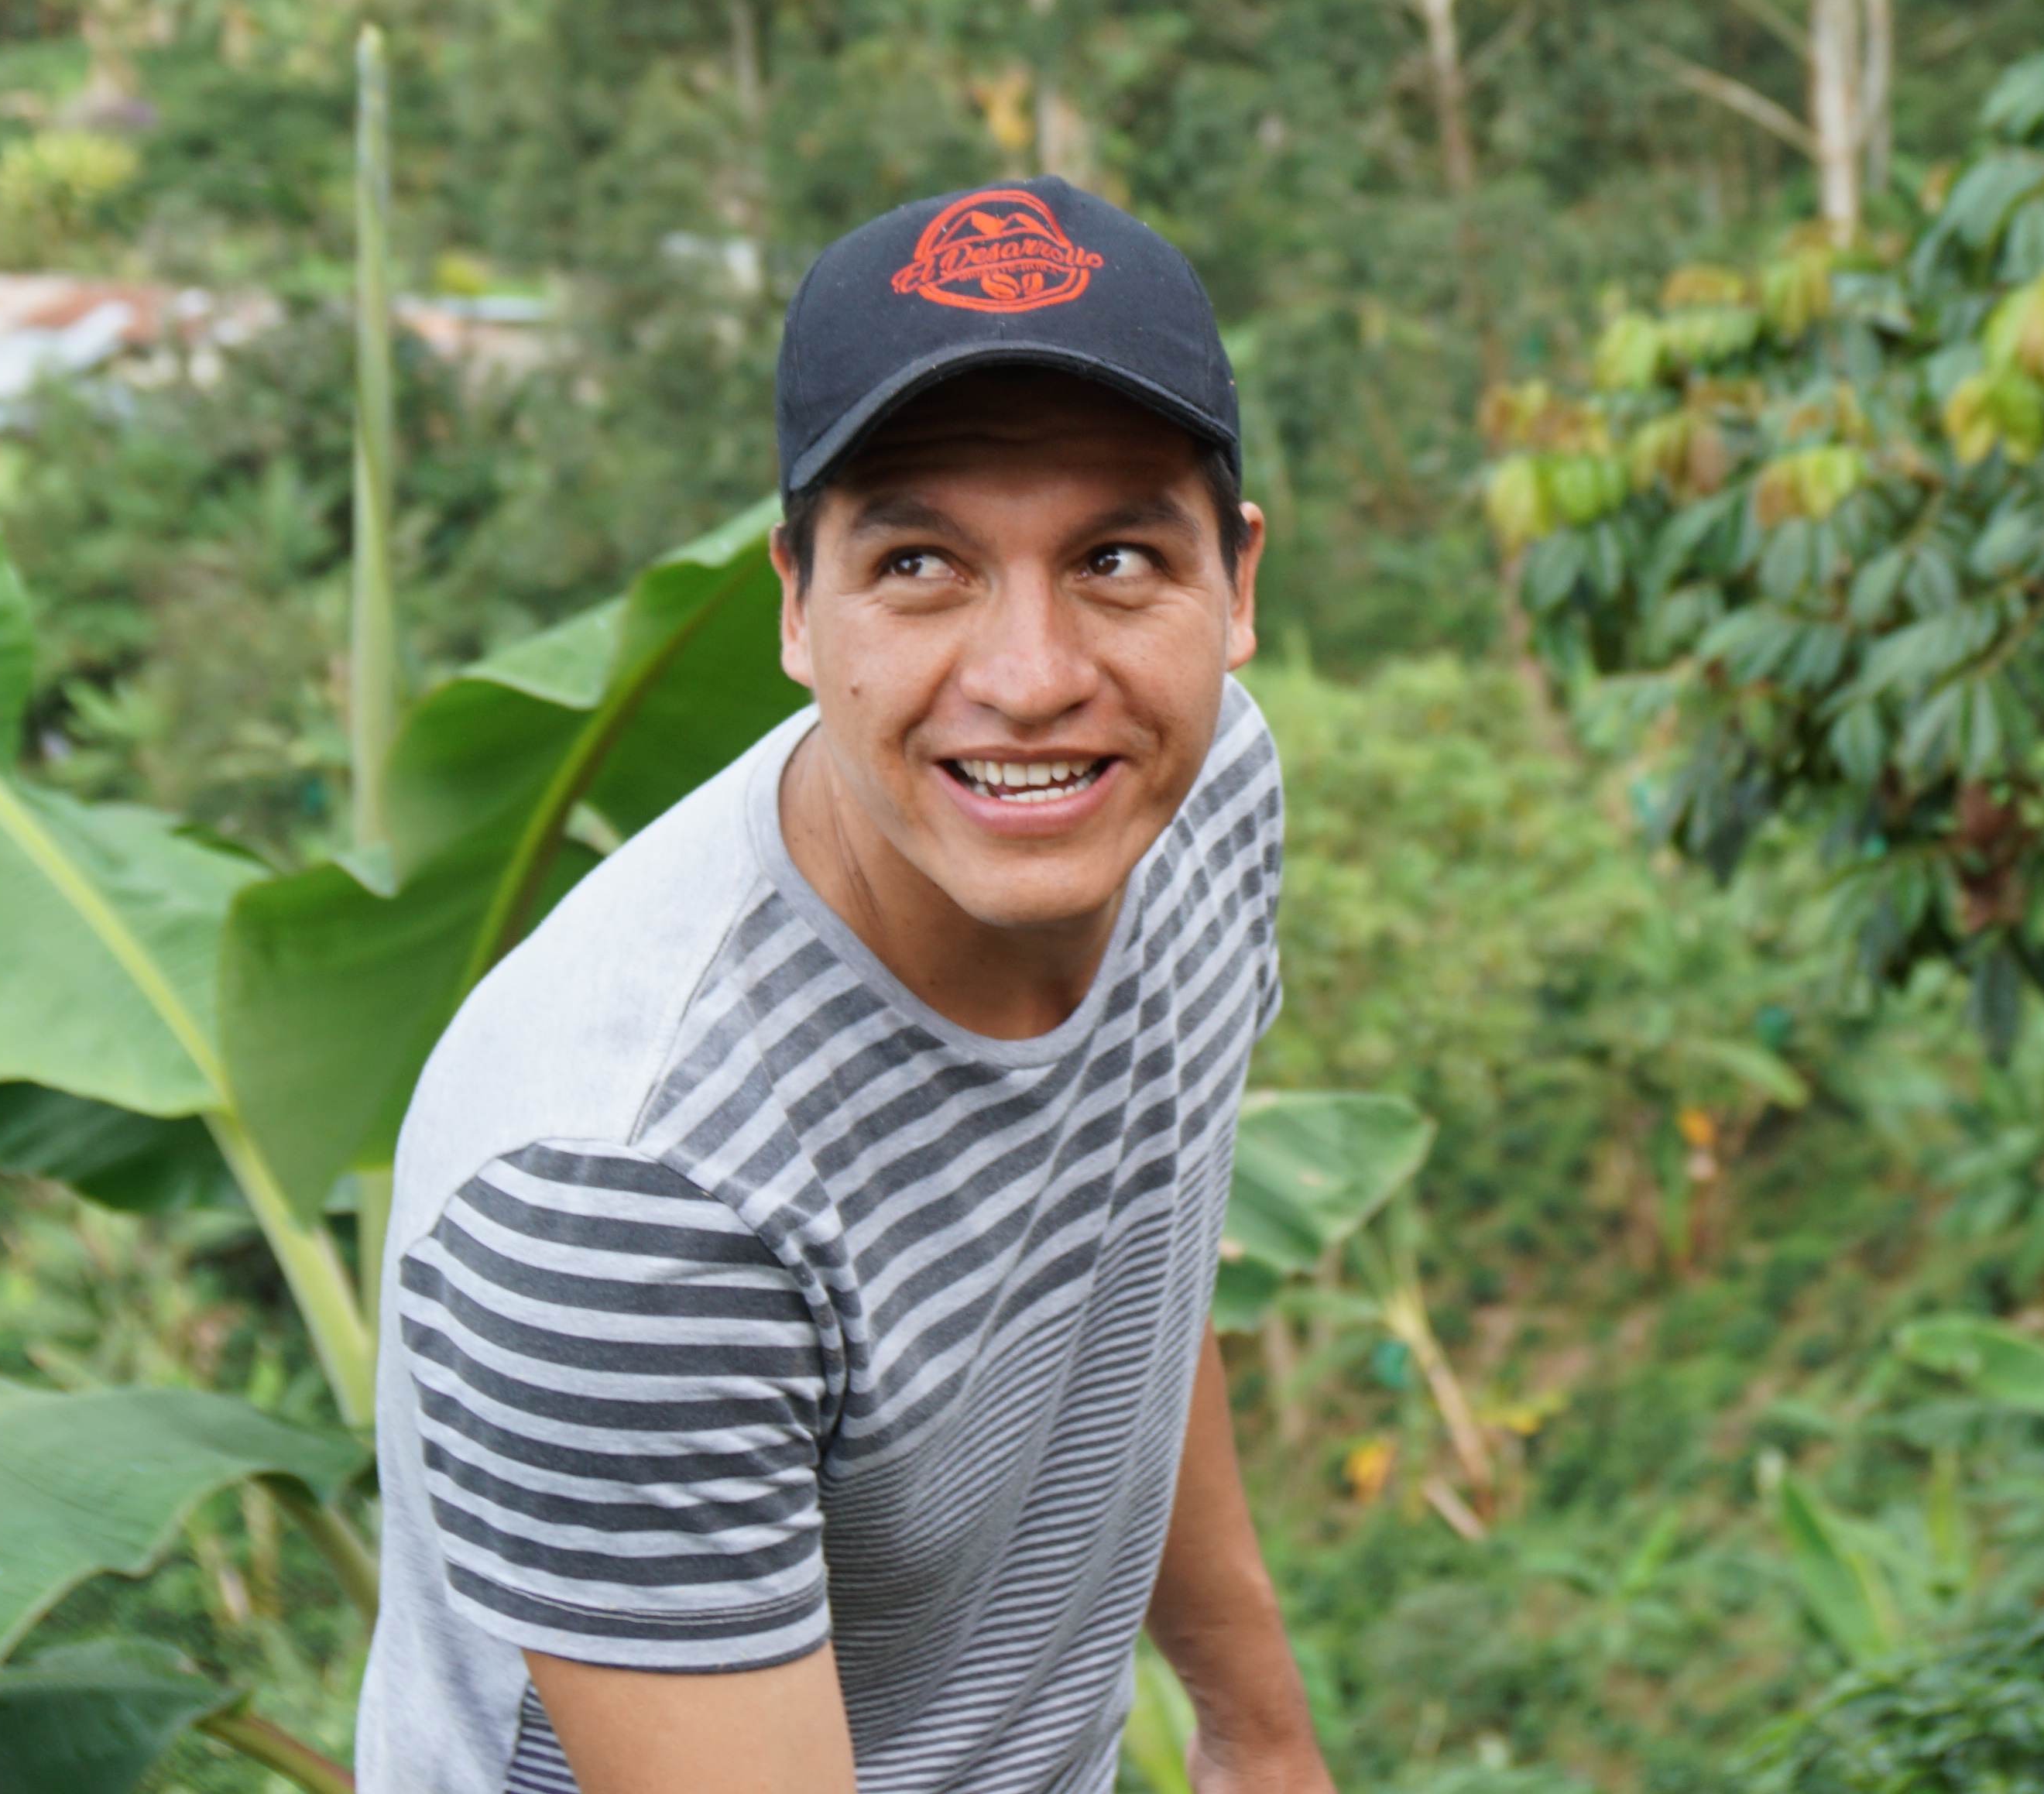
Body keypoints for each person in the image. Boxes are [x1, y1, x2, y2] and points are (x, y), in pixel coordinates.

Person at [356, 179, 1336, 1794]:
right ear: (799, 603)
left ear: (1233, 585)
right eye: (921, 562)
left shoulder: (1205, 795)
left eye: (1112, 553)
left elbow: (1147, 1261)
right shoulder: (629, 1195)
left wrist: (1260, 1733)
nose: (1032, 679)